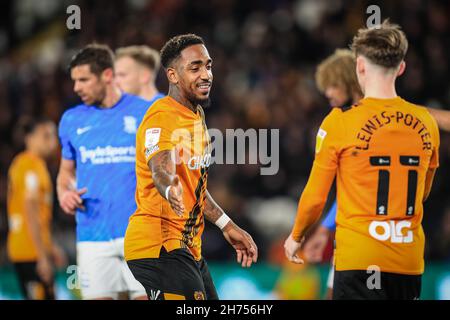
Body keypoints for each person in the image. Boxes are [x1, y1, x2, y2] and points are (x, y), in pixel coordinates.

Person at [285, 20, 439, 300]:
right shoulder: (426, 122)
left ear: (359, 66)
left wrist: (296, 236)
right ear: (401, 68)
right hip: (408, 262)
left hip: (359, 260)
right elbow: (424, 192)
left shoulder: (339, 123)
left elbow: (315, 196)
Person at [124, 34, 258, 300]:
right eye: (195, 67)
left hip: (188, 248)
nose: (206, 74)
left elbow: (194, 187)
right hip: (159, 245)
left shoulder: (197, 115)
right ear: (173, 75)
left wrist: (227, 225)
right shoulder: (161, 117)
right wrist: (168, 186)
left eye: (208, 65)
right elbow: (160, 167)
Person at [57, 44, 150, 300]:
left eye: (84, 80)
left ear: (107, 75)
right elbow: (65, 173)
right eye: (75, 81)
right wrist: (65, 193)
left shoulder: (146, 112)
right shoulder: (71, 120)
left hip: (141, 234)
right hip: (92, 236)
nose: (77, 88)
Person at [7, 117, 66, 300]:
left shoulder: (31, 164)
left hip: (31, 248)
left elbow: (38, 214)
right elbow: (30, 209)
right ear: (29, 138)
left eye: (53, 136)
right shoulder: (29, 165)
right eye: (45, 136)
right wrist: (42, 256)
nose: (52, 141)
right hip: (29, 251)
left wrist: (51, 247)